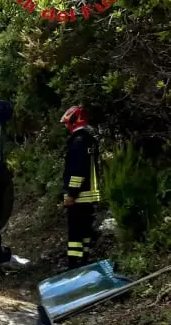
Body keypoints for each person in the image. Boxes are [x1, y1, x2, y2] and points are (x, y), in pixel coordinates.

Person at [60, 105, 101, 269]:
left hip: (79, 196)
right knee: (85, 232)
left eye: (66, 123)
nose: (65, 126)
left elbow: (77, 171)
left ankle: (74, 265)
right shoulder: (89, 140)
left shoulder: (77, 142)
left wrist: (71, 193)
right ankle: (83, 261)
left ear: (73, 121)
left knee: (76, 232)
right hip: (89, 195)